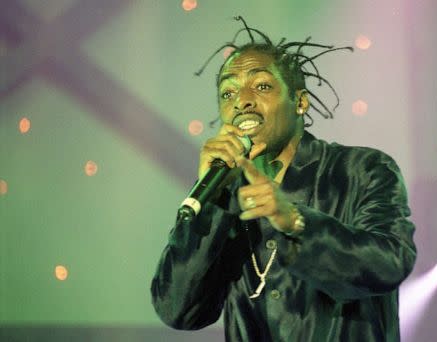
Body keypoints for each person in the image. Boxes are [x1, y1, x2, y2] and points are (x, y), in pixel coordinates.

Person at [150, 17, 417, 341]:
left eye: (261, 85)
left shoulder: (363, 170)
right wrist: (213, 203)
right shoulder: (225, 198)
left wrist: (295, 220)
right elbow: (178, 310)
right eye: (227, 92)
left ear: (300, 102)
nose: (242, 101)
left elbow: (390, 263)